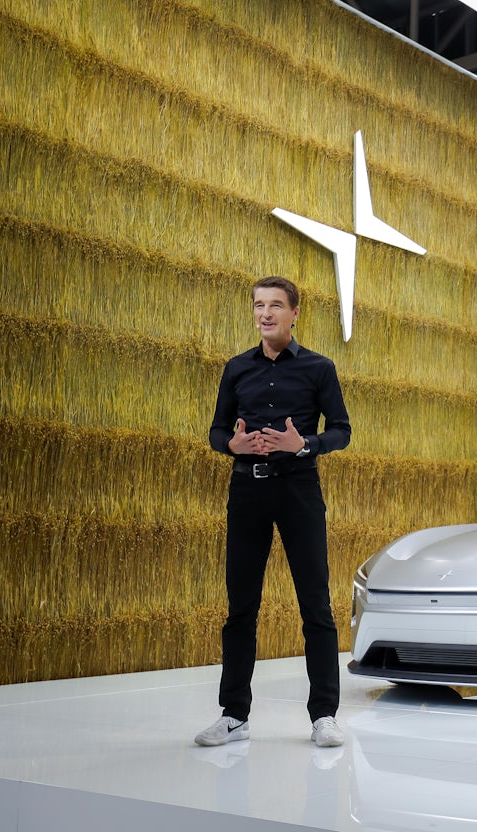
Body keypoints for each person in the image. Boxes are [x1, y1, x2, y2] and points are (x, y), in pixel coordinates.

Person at [195, 276, 352, 748]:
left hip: (299, 491)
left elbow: (341, 430)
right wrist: (232, 445)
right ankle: (234, 716)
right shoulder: (235, 369)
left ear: (294, 313)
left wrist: (304, 445)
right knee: (240, 609)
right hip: (247, 492)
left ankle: (324, 715)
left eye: (276, 306)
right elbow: (216, 431)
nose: (266, 313)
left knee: (316, 607)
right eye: (259, 305)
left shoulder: (319, 368)